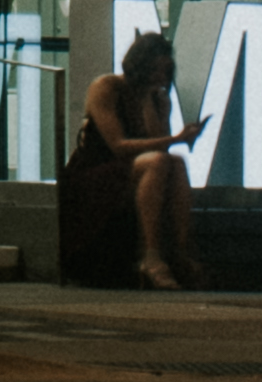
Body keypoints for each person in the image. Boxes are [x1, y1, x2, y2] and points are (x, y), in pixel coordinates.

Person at [56, 25, 200, 290]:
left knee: (176, 163)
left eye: (166, 71)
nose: (161, 76)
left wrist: (155, 107)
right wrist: (176, 138)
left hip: (134, 169)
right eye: (156, 70)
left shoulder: (155, 99)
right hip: (96, 171)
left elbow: (160, 151)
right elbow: (119, 145)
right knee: (159, 162)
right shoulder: (106, 87)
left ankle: (179, 252)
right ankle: (151, 255)